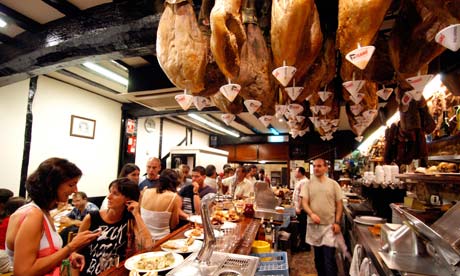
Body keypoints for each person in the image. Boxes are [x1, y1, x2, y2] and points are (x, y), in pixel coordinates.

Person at [5, 158, 100, 276]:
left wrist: (68, 255)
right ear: (52, 185)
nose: (75, 190)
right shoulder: (34, 215)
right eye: (71, 185)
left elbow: (41, 255)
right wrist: (71, 247)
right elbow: (23, 272)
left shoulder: (43, 211)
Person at [73, 177, 152, 276]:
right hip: (89, 272)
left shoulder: (130, 220)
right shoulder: (92, 218)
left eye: (115, 193)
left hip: (116, 272)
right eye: (110, 192)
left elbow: (148, 246)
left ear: (128, 199)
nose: (108, 197)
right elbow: (75, 250)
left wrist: (137, 215)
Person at [301, 158, 344, 276]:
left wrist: (337, 222)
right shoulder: (308, 184)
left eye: (319, 166)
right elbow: (304, 202)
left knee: (329, 259)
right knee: (318, 260)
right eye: (314, 166)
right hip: (314, 227)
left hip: (329, 227)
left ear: (325, 168)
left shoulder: (333, 184)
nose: (316, 168)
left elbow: (339, 204)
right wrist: (311, 214)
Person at [140, 169, 182, 241]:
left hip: (142, 238)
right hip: (161, 240)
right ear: (176, 183)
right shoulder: (175, 197)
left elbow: (139, 214)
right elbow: (173, 224)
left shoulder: (145, 191)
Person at [292, 167, 310, 252]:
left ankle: (305, 246)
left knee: (303, 228)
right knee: (301, 227)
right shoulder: (300, 181)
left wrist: (298, 208)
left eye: (296, 172)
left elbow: (302, 196)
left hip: (302, 209)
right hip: (299, 208)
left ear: (300, 173)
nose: (295, 173)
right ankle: (303, 244)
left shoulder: (304, 182)